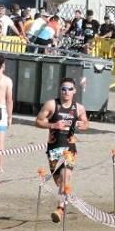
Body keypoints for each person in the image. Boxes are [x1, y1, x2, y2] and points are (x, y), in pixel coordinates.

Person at [35, 77, 89, 221]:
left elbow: (86, 123)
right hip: (54, 149)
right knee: (60, 182)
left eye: (69, 89)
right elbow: (38, 121)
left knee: (65, 177)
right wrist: (53, 125)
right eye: (63, 89)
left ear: (74, 91)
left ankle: (60, 209)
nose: (66, 92)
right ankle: (64, 200)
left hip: (70, 149)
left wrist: (79, 125)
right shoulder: (52, 105)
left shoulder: (79, 108)